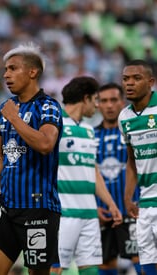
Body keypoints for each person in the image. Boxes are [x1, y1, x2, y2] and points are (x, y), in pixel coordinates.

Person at [0, 42, 63, 275]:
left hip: (38, 209)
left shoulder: (48, 107)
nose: (6, 74)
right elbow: (0, 150)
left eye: (13, 68)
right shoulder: (6, 108)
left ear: (32, 72)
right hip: (7, 207)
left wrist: (16, 120)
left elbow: (46, 144)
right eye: (5, 69)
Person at [53, 76, 122, 275]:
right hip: (63, 214)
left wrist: (110, 203)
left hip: (90, 214)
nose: (98, 105)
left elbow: (93, 171)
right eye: (95, 100)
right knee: (55, 269)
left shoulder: (89, 131)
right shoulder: (55, 127)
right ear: (86, 98)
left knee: (91, 270)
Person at [95, 83, 141, 275]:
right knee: (105, 265)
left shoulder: (134, 132)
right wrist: (93, 207)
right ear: (97, 104)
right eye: (104, 101)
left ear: (122, 102)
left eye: (114, 100)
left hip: (133, 211)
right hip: (102, 214)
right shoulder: (91, 136)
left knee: (143, 262)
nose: (109, 105)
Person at [119, 59, 157, 275]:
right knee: (147, 263)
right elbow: (131, 159)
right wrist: (127, 197)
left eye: (136, 78)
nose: (129, 83)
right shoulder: (124, 117)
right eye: (125, 79)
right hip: (145, 202)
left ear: (150, 82)